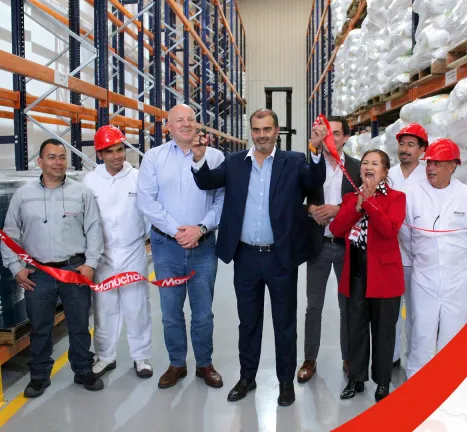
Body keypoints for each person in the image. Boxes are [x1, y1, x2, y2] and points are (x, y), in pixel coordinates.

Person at [190, 109, 325, 406]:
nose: (261, 135)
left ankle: (285, 382)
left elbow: (315, 179)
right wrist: (199, 157)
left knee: (284, 324)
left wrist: (316, 149)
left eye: (267, 129)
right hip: (246, 257)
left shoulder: (294, 161)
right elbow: (207, 181)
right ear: (251, 131)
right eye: (256, 129)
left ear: (277, 130)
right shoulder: (235, 162)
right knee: (248, 322)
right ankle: (247, 377)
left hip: (280, 259)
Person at [0, 139, 104, 396]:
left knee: (79, 324)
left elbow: (94, 229)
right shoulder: (23, 195)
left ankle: (83, 369)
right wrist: (15, 267)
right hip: (39, 274)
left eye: (61, 157)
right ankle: (39, 375)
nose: (58, 162)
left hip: (74, 270)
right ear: (40, 161)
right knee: (40, 327)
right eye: (52, 157)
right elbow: (10, 234)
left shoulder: (81, 193)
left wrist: (90, 264)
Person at [137, 104, 225, 390]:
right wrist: (177, 231)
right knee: (171, 310)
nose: (186, 124)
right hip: (167, 246)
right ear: (169, 127)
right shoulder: (154, 158)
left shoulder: (215, 157)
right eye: (179, 120)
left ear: (197, 124)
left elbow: (222, 200)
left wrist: (200, 228)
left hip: (203, 245)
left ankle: (204, 363)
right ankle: (177, 363)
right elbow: (146, 201)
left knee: (203, 311)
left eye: (191, 119)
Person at [329, 149, 406, 402]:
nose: (368, 167)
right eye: (365, 163)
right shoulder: (351, 197)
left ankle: (382, 382)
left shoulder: (396, 198)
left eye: (375, 163)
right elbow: (336, 228)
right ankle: (356, 378)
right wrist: (358, 205)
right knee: (356, 327)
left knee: (384, 330)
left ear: (385, 171)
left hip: (384, 274)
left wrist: (370, 203)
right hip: (357, 271)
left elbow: (388, 230)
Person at [400, 138, 467, 379]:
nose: (431, 168)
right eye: (429, 163)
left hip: (456, 277)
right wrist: (428, 256)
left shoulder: (466, 194)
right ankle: (417, 379)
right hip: (424, 276)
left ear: (452, 166)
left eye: (437, 163)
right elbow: (406, 235)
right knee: (422, 331)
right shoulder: (413, 194)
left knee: (453, 332)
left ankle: (448, 381)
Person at [84, 125, 153, 379]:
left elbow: (147, 215)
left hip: (132, 250)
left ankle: (141, 357)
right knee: (104, 308)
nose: (117, 156)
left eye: (120, 149)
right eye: (110, 151)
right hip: (102, 255)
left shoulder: (137, 177)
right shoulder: (90, 182)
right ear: (100, 154)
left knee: (137, 306)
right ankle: (105, 356)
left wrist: (139, 240)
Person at [298, 116, 361, 383]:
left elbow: (365, 203)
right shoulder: (310, 165)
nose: (330, 139)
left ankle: (349, 357)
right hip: (319, 246)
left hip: (347, 246)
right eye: (326, 134)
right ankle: (309, 359)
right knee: (314, 306)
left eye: (336, 134)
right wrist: (310, 209)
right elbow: (292, 200)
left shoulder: (357, 167)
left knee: (348, 306)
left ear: (346, 138)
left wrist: (338, 210)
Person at [388, 123, 429, 368]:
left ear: (422, 150)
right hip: (391, 255)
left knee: (416, 311)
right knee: (391, 310)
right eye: (402, 144)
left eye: (411, 145)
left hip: (417, 257)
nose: (404, 149)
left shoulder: (427, 176)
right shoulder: (389, 174)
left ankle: (414, 355)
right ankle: (392, 355)